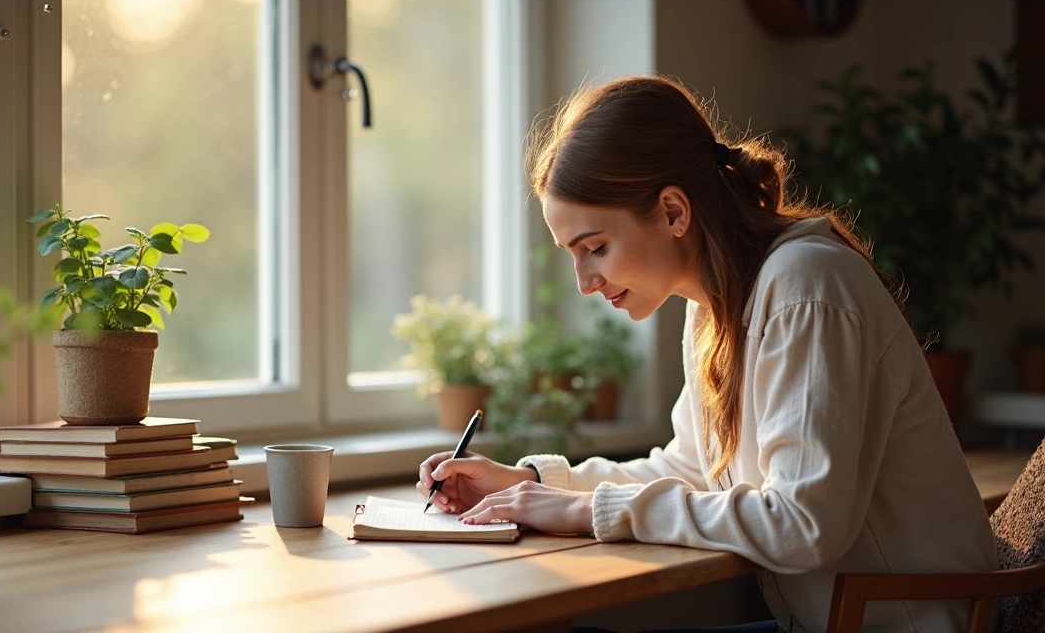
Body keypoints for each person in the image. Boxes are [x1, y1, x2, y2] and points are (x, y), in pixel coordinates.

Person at [416, 76, 996, 633]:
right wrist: (530, 483)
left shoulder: (806, 288)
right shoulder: (713, 310)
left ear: (673, 211)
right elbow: (692, 469)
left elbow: (803, 525)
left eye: (595, 247)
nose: (584, 283)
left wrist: (583, 512)